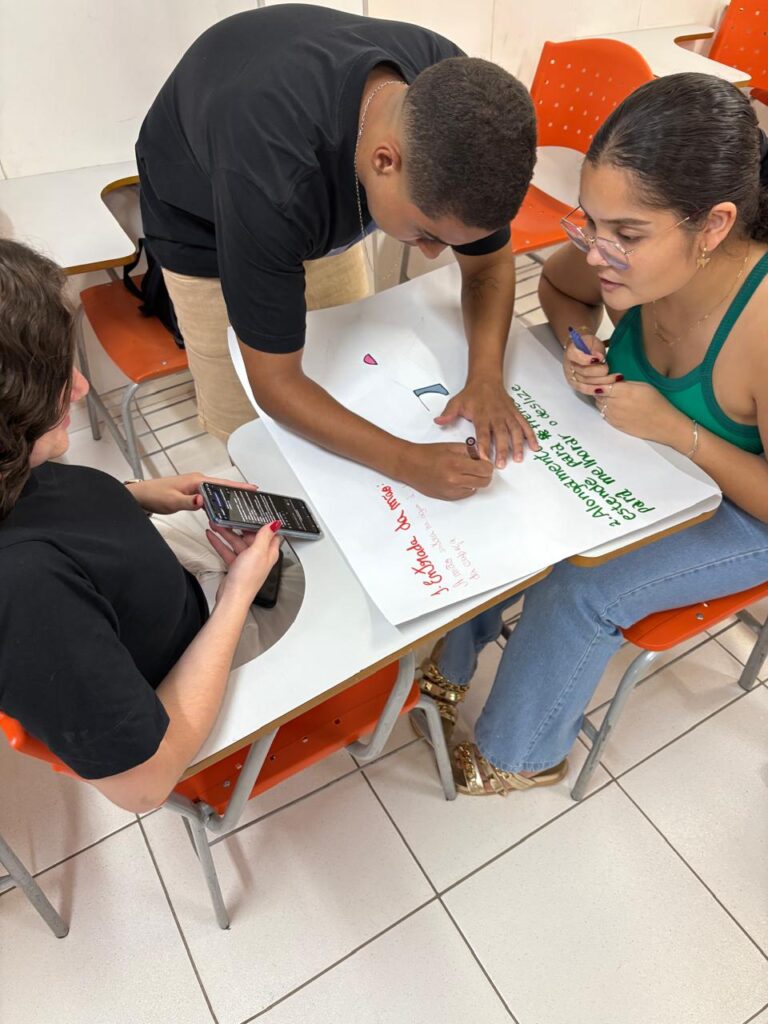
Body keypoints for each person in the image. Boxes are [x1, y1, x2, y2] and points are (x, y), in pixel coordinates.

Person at [414, 73, 768, 795]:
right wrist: (582, 346)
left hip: (742, 504)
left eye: (626, 235)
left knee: (581, 581)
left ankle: (520, 754)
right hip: (646, 447)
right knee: (498, 478)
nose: (598, 251)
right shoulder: (615, 242)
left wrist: (678, 431)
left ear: (715, 225)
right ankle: (443, 666)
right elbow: (562, 289)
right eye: (589, 222)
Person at [136, 4, 539, 501]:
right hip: (204, 218)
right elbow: (275, 385)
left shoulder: (455, 101)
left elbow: (489, 265)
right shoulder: (272, 178)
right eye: (426, 232)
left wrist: (486, 378)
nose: (434, 255)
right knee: (251, 430)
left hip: (297, 183)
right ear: (384, 161)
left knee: (348, 378)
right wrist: (405, 460)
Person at [0, 239, 303, 813]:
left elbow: (45, 514)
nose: (84, 387)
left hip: (159, 583)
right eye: (54, 380)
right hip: (185, 671)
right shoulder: (24, 594)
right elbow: (143, 784)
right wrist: (237, 597)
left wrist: (136, 497)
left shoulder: (15, 464)